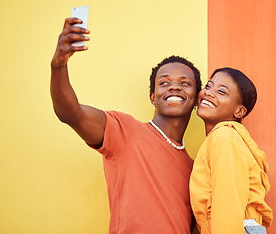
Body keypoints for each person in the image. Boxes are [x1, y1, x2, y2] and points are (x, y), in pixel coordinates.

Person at [50, 17, 202, 234]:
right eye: (164, 83)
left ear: (197, 98)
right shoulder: (126, 130)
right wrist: (59, 65)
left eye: (185, 83)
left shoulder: (195, 168)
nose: (174, 88)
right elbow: (70, 112)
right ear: (153, 96)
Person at [189, 67, 273, 234]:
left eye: (221, 91)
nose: (209, 93)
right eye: (208, 86)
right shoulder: (224, 138)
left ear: (239, 111)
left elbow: (227, 204)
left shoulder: (225, 137)